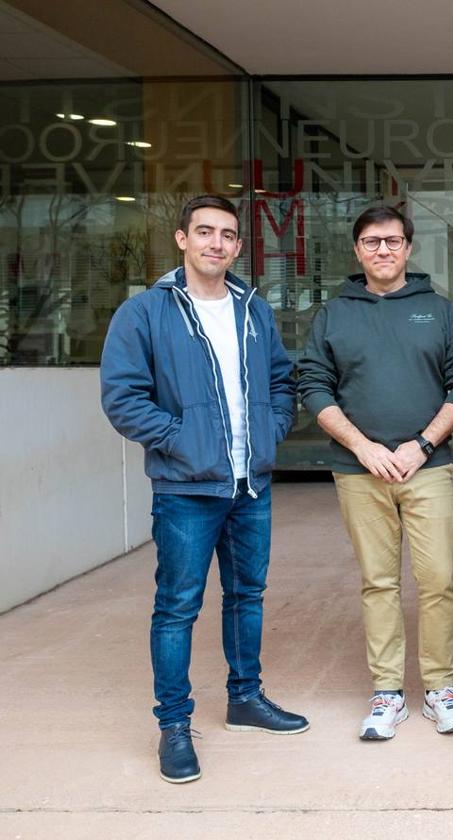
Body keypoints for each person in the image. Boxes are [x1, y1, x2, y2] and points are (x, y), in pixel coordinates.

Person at [100, 194, 307, 784]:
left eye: (228, 235)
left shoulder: (253, 309)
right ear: (182, 239)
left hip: (251, 484)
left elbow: (279, 380)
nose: (217, 242)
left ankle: (245, 699)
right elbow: (122, 397)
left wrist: (269, 431)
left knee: (247, 596)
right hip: (185, 489)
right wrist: (181, 439)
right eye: (205, 232)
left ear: (238, 246)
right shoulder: (144, 313)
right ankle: (173, 725)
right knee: (177, 608)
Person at [297, 206, 453, 741]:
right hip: (359, 471)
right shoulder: (333, 314)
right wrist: (363, 447)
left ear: (408, 248)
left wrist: (422, 445)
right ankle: (388, 693)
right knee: (379, 582)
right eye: (372, 242)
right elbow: (313, 386)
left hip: (428, 466)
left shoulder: (439, 311)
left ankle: (440, 689)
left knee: (439, 579)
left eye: (393, 241)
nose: (383, 250)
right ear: (357, 250)